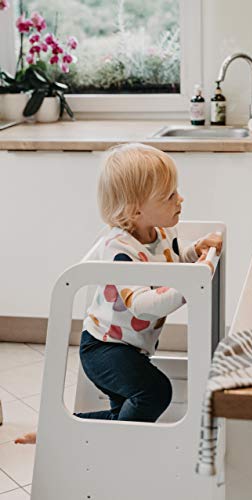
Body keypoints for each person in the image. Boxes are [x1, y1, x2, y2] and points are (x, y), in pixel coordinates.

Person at [16, 143, 222, 443]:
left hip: (132, 347)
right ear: (136, 208)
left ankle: (87, 446)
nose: (180, 198)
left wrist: (196, 252)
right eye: (169, 195)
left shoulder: (162, 232)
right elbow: (143, 305)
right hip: (105, 349)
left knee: (127, 415)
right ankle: (63, 432)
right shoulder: (119, 248)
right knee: (154, 392)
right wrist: (195, 280)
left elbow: (171, 267)